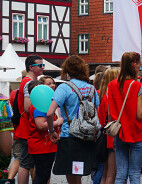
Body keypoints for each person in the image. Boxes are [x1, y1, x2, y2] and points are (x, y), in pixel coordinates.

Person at [46, 55, 100, 184]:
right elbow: (95, 110)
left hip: (69, 136)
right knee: (78, 173)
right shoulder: (91, 88)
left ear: (67, 70)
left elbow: (49, 113)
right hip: (86, 135)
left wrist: (51, 130)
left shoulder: (64, 87)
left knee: (71, 174)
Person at [107, 52, 142, 184]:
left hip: (119, 131)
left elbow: (110, 112)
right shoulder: (137, 85)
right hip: (136, 131)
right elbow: (139, 113)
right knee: (135, 173)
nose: (140, 67)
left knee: (121, 174)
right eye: (139, 64)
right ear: (134, 64)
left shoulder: (112, 85)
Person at [27, 80, 62, 184]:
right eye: (48, 84)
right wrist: (57, 122)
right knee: (42, 176)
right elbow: (40, 125)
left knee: (43, 175)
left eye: (53, 83)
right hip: (41, 146)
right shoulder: (39, 104)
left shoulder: (42, 103)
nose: (51, 86)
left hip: (44, 145)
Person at [16, 55, 44, 184]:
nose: (42, 68)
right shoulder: (28, 82)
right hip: (27, 128)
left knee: (27, 162)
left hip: (26, 127)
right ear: (31, 67)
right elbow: (28, 107)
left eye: (42, 65)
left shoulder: (26, 81)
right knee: (26, 163)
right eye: (40, 65)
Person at [97, 68, 120, 184]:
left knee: (105, 172)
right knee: (112, 172)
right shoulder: (110, 95)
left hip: (103, 134)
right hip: (111, 135)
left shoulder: (101, 94)